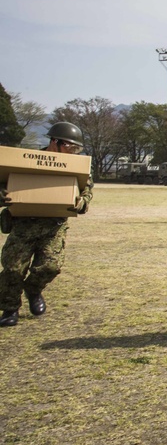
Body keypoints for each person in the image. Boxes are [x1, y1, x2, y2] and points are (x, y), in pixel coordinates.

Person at [0, 122, 93, 327]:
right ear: (55, 142)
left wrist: (81, 202)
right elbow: (5, 183)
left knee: (50, 267)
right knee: (13, 269)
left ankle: (33, 290)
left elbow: (87, 193)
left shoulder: (76, 167)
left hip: (53, 226)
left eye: (77, 149)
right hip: (23, 225)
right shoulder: (26, 162)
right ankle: (10, 309)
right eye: (71, 147)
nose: (73, 152)